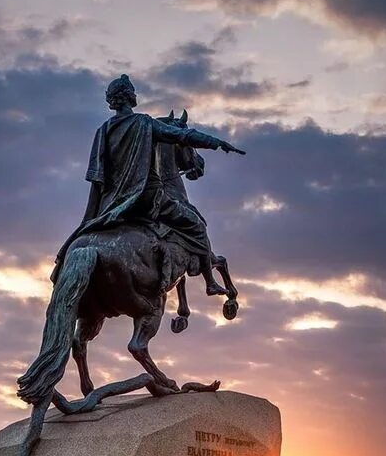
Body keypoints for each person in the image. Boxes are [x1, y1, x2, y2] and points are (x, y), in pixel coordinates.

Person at [53, 73, 244, 295]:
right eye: (132, 91)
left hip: (110, 204)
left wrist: (91, 217)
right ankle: (210, 282)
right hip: (145, 198)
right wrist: (216, 142)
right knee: (197, 226)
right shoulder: (143, 122)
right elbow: (181, 136)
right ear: (128, 96)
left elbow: (97, 177)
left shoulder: (102, 131)